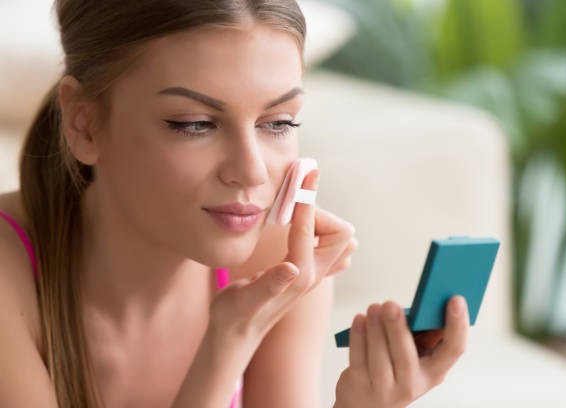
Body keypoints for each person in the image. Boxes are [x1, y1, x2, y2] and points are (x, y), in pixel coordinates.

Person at [0, 1, 469, 407]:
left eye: (279, 122)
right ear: (84, 124)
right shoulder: (10, 275)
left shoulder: (279, 267)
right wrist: (229, 342)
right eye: (195, 123)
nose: (252, 171)